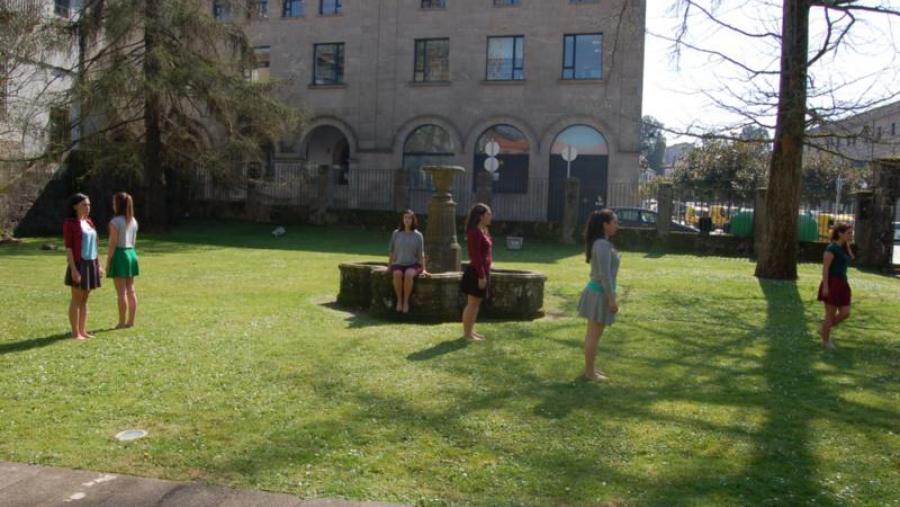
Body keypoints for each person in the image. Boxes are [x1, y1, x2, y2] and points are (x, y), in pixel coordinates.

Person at [577, 209, 620, 381]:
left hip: (598, 293)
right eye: (615, 222)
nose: (617, 225)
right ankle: (589, 372)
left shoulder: (602, 243)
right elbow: (604, 275)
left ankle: (590, 369)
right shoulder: (602, 245)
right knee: (593, 336)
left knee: (593, 335)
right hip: (599, 294)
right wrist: (612, 299)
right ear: (605, 224)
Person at [63, 193, 103, 340]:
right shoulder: (70, 223)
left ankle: (83, 330)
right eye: (84, 205)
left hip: (91, 263)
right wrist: (73, 269)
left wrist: (98, 265)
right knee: (76, 299)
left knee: (85, 299)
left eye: (89, 205)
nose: (87, 208)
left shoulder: (89, 222)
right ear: (75, 206)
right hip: (79, 264)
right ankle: (75, 333)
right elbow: (69, 248)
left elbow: (95, 246)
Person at [105, 192, 140, 328]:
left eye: (114, 202)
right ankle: (130, 321)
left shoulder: (115, 221)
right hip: (131, 253)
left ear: (118, 204)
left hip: (120, 254)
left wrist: (109, 261)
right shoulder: (133, 221)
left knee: (121, 292)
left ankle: (121, 322)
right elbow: (133, 241)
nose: (113, 204)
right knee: (131, 289)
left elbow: (113, 243)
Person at [817, 223, 854, 350]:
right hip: (832, 283)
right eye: (848, 233)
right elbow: (825, 269)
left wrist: (847, 245)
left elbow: (851, 258)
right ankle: (826, 341)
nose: (851, 235)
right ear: (840, 233)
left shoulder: (844, 247)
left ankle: (823, 329)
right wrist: (826, 287)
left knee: (845, 312)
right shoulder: (831, 248)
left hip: (843, 283)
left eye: (851, 233)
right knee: (830, 315)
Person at [460, 203, 492, 341]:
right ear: (480, 216)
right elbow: (475, 256)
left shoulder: (483, 230)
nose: (491, 217)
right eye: (488, 214)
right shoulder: (474, 232)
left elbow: (486, 253)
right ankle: (467, 334)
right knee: (472, 303)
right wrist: (481, 276)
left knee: (475, 303)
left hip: (483, 271)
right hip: (476, 272)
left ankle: (471, 331)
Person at [388, 209, 427, 313]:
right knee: (397, 274)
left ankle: (406, 302)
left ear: (413, 220)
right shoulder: (396, 233)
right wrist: (389, 266)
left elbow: (421, 254)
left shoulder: (418, 235)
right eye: (405, 217)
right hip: (398, 263)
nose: (407, 220)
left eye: (409, 218)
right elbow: (391, 251)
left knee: (409, 275)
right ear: (402, 219)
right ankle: (399, 301)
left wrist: (423, 269)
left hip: (412, 264)